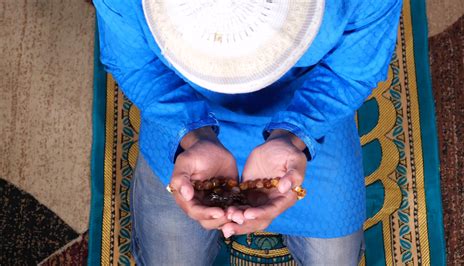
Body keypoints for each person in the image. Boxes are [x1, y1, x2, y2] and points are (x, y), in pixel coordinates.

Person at [94, 0, 402, 264]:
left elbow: (350, 71)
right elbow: (134, 63)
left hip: (308, 104)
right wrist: (194, 135)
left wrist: (294, 135)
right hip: (180, 107)